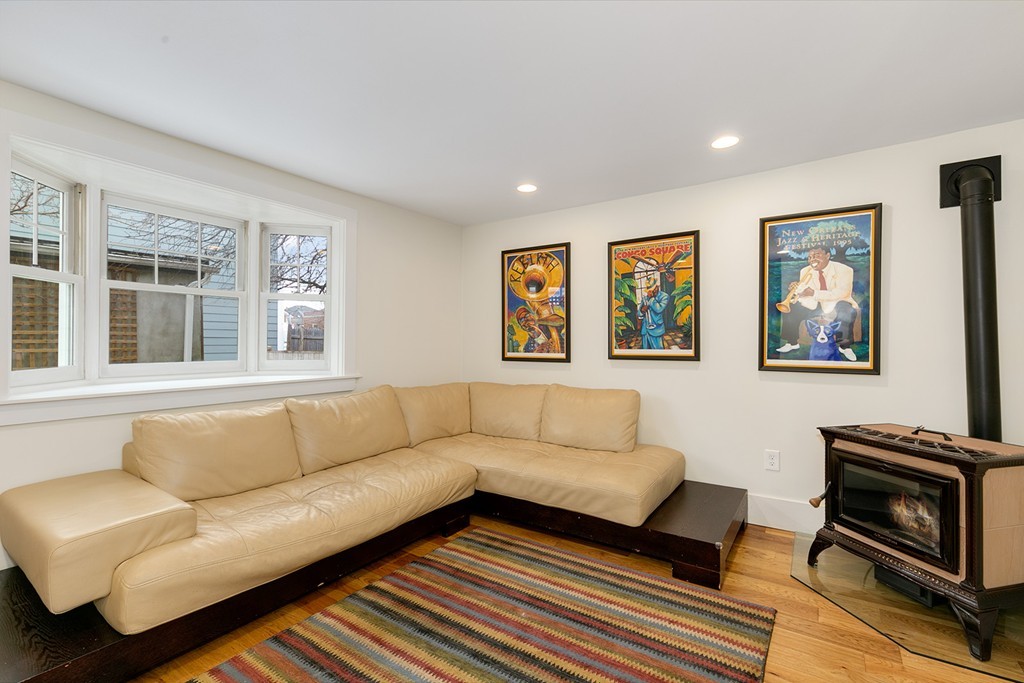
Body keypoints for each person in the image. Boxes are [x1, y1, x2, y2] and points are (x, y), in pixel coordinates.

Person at [776, 247, 859, 361]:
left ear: (828, 255)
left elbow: (841, 293)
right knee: (792, 308)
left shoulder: (845, 270)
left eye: (817, 255)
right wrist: (797, 289)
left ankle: (845, 346)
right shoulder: (805, 271)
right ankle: (792, 342)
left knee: (847, 311)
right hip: (813, 303)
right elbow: (805, 292)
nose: (812, 260)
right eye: (810, 257)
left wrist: (814, 293)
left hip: (837, 301)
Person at [639, 279, 669, 350]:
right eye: (649, 290)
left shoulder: (664, 296)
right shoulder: (645, 297)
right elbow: (639, 313)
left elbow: (659, 309)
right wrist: (642, 310)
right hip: (645, 330)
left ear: (657, 287)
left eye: (653, 289)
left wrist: (652, 299)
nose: (651, 291)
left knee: (658, 352)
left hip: (656, 329)